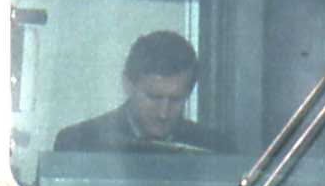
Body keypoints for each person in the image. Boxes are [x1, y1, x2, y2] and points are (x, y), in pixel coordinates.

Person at [53, 30, 224, 154]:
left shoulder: (214, 150)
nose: (163, 113)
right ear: (128, 85)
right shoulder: (79, 144)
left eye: (176, 100)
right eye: (153, 97)